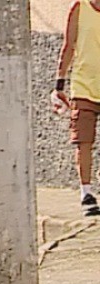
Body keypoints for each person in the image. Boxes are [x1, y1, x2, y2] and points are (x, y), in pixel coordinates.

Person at [55, 0, 100, 217]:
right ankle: (86, 194)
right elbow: (69, 45)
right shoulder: (79, 8)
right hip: (83, 87)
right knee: (83, 141)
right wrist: (59, 84)